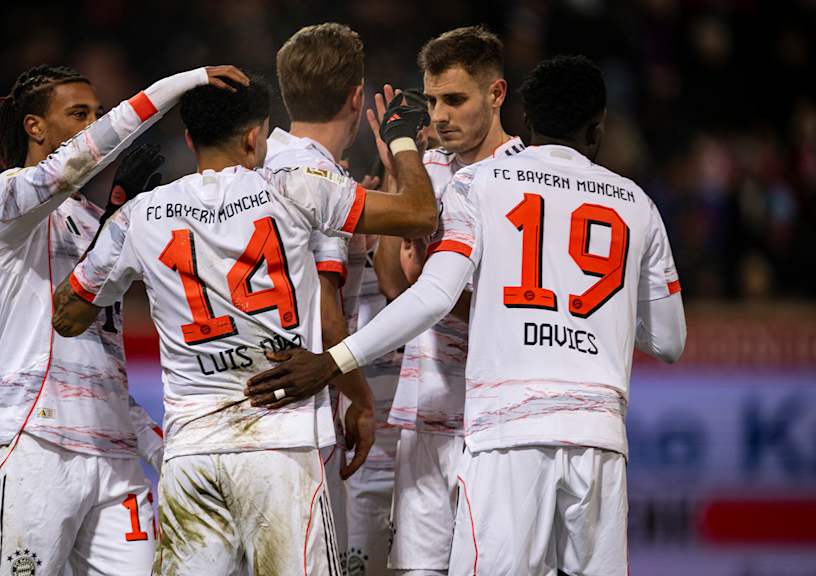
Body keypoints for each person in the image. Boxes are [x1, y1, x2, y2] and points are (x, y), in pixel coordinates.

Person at [247, 55, 687, 576]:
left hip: (509, 433)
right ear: (599, 128)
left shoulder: (480, 185)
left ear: (525, 119)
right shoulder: (638, 204)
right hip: (599, 438)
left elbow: (433, 294)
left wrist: (334, 361)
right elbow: (668, 340)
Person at [51, 75, 435, 575]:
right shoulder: (296, 188)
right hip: (283, 447)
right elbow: (420, 214)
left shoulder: (141, 216)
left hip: (192, 454)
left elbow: (68, 316)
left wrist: (115, 220)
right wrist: (403, 141)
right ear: (256, 137)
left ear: (189, 139)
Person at [0, 62, 248, 576]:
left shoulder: (100, 225)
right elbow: (63, 171)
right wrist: (179, 84)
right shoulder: (0, 203)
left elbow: (102, 359)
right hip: (36, 440)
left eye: (98, 115)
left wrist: (164, 447)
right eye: (79, 114)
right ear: (35, 127)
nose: (93, 126)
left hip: (114, 454)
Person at [372, 26, 524, 576]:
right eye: (432, 100)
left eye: (455, 100)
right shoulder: (428, 170)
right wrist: (396, 180)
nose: (438, 116)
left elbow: (509, 307)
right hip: (425, 406)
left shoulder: (523, 180)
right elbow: (394, 286)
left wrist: (432, 293)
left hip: (496, 419)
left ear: (497, 94)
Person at [266, 22, 383, 572]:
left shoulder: (256, 162)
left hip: (238, 404)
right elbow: (327, 316)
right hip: (300, 415)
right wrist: (360, 397)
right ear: (357, 97)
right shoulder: (322, 180)